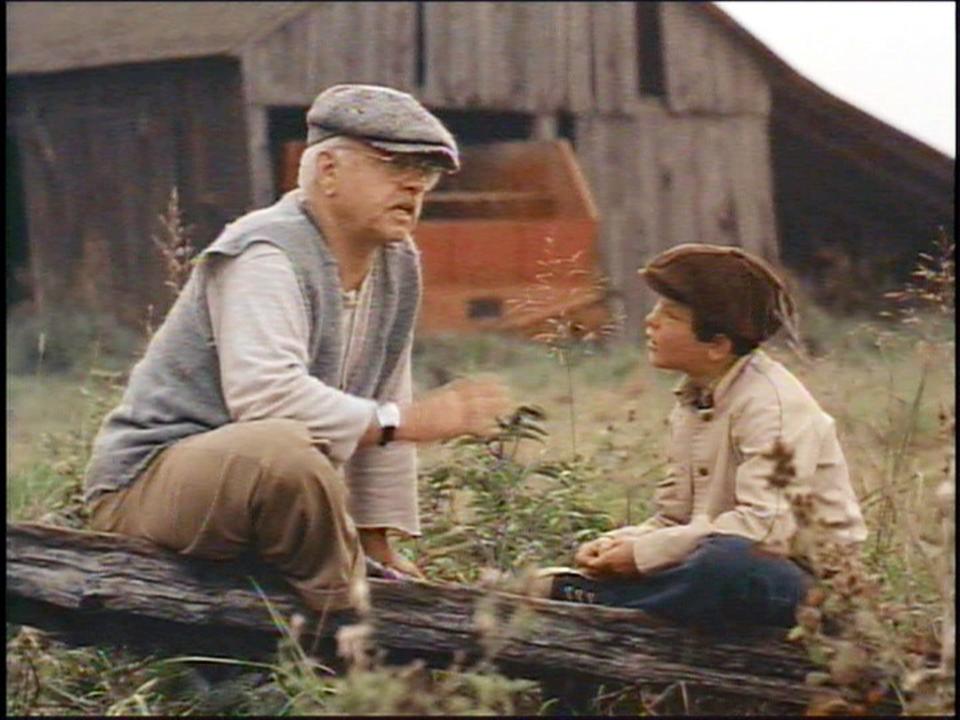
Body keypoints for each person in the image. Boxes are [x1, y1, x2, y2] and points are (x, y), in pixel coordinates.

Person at [83, 84, 512, 615]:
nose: (413, 185)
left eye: (426, 172)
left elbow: (387, 393)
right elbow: (266, 397)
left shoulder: (397, 262)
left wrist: (378, 542)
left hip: (258, 497)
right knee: (282, 450)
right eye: (392, 163)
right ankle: (352, 631)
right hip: (147, 487)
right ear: (327, 170)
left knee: (296, 460)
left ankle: (357, 604)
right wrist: (405, 422)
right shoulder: (264, 251)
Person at [534, 243, 868, 630]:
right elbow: (675, 518)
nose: (650, 322)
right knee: (699, 558)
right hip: (728, 557)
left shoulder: (772, 405)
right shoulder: (696, 398)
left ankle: (607, 605)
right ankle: (607, 599)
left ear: (718, 345)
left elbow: (764, 530)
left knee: (725, 563)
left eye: (670, 315)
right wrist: (618, 543)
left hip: (804, 587)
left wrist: (643, 554)